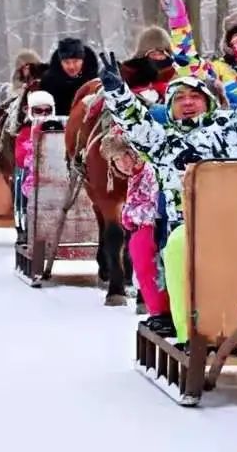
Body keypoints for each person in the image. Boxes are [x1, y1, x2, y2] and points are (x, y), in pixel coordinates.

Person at [100, 35, 237, 347]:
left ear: (208, 102)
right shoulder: (161, 140)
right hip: (187, 227)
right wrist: (116, 92)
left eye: (195, 96)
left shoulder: (232, 130)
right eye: (180, 99)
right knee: (178, 247)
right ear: (171, 108)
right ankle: (189, 333)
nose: (188, 102)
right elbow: (133, 121)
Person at [99, 130, 171, 334]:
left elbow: (154, 203)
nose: (121, 164)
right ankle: (157, 311)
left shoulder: (149, 171)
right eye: (116, 161)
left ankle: (161, 312)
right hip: (141, 230)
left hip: (149, 229)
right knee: (144, 271)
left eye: (122, 157)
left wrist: (130, 215)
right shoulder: (136, 175)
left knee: (151, 270)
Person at [13, 91, 57, 241]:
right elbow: (20, 157)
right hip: (33, 171)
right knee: (26, 181)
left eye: (47, 110)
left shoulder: (58, 128)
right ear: (31, 111)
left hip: (55, 171)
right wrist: (31, 155)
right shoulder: (25, 130)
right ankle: (25, 219)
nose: (43, 114)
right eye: (38, 110)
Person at [39, 38, 99, 116]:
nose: (71, 66)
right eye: (66, 62)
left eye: (75, 61)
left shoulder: (95, 83)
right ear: (60, 62)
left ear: (83, 61)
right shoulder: (48, 83)